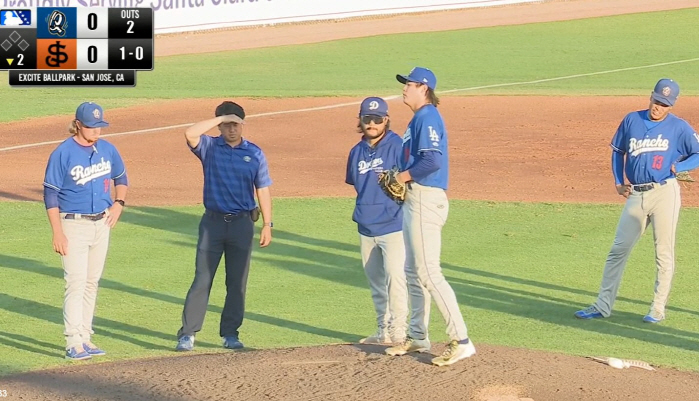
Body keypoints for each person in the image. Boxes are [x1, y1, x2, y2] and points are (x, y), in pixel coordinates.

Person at [575, 78, 699, 323]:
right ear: (650, 97)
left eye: (664, 104)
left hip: (665, 192)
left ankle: (657, 308)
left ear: (671, 105)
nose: (658, 107)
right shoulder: (632, 119)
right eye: (656, 101)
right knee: (618, 250)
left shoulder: (679, 127)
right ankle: (602, 305)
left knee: (663, 252)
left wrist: (680, 165)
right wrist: (618, 181)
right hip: (636, 194)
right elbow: (617, 151)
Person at [384, 67, 476, 367]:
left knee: (428, 272)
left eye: (407, 85)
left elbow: (433, 160)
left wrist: (403, 177)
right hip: (416, 198)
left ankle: (461, 340)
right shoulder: (418, 118)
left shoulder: (428, 116)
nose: (403, 89)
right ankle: (418, 335)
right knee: (413, 271)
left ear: (423, 87)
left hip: (426, 197)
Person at [176, 101, 273, 351]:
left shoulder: (254, 153)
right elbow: (190, 133)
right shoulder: (209, 147)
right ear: (219, 126)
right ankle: (188, 333)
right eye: (226, 124)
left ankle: (230, 333)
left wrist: (267, 224)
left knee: (237, 282)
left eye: (236, 124)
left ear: (243, 125)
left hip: (242, 225)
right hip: (213, 224)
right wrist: (220, 118)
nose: (231, 129)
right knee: (202, 278)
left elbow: (262, 188)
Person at [43, 102, 128, 360]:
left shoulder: (108, 149)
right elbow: (50, 194)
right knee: (76, 282)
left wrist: (118, 204)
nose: (96, 131)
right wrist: (57, 232)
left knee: (91, 283)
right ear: (78, 124)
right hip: (73, 225)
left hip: (102, 223)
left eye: (99, 126)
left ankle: (85, 337)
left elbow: (121, 179)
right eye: (91, 126)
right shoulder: (63, 153)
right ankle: (72, 341)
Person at [345, 97, 430, 345]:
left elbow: (414, 177)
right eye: (367, 119)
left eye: (377, 119)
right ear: (360, 120)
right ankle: (383, 330)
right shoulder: (356, 151)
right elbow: (357, 184)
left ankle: (399, 332)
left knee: (396, 280)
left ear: (386, 120)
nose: (372, 123)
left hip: (394, 224)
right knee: (376, 283)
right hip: (366, 225)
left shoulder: (398, 146)